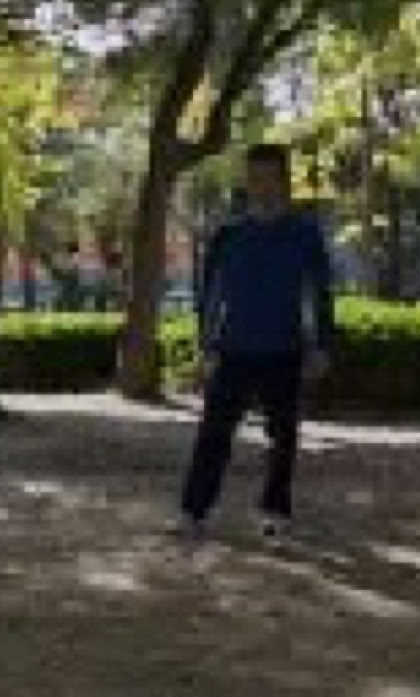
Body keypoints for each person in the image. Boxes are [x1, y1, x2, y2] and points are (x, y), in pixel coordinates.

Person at [180, 143, 335, 540]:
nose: (259, 186)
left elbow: (319, 294)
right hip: (233, 348)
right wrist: (205, 345)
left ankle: (275, 509)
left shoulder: (304, 234)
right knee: (213, 434)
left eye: (267, 178)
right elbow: (211, 295)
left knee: (283, 436)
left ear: (284, 181)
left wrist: (321, 345)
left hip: (284, 348)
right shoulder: (229, 235)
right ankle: (194, 511)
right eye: (253, 178)